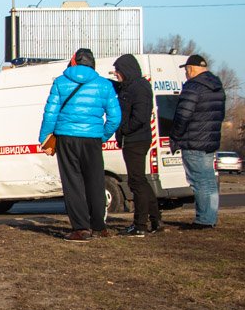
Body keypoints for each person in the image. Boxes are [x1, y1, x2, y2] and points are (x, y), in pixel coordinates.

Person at [38, 48, 122, 242]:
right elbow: (115, 117)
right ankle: (99, 227)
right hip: (92, 138)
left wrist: (44, 138)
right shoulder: (104, 85)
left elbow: (50, 113)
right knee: (95, 181)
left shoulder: (60, 82)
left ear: (74, 62)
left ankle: (81, 228)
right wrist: (102, 135)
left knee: (73, 183)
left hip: (66, 137)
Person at [170, 54, 226, 229]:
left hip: (193, 140)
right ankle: (210, 217)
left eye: (186, 70)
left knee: (199, 181)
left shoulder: (193, 87)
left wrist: (175, 136)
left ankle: (203, 220)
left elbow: (183, 115)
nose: (186, 74)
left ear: (191, 69)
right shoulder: (216, 86)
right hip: (210, 141)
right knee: (209, 181)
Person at [113, 54, 161, 237]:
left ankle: (140, 224)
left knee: (136, 181)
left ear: (126, 70)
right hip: (133, 139)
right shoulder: (129, 86)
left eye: (118, 70)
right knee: (140, 179)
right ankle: (156, 219)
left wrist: (124, 129)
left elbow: (140, 116)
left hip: (136, 140)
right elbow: (115, 85)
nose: (116, 74)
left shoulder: (138, 87)